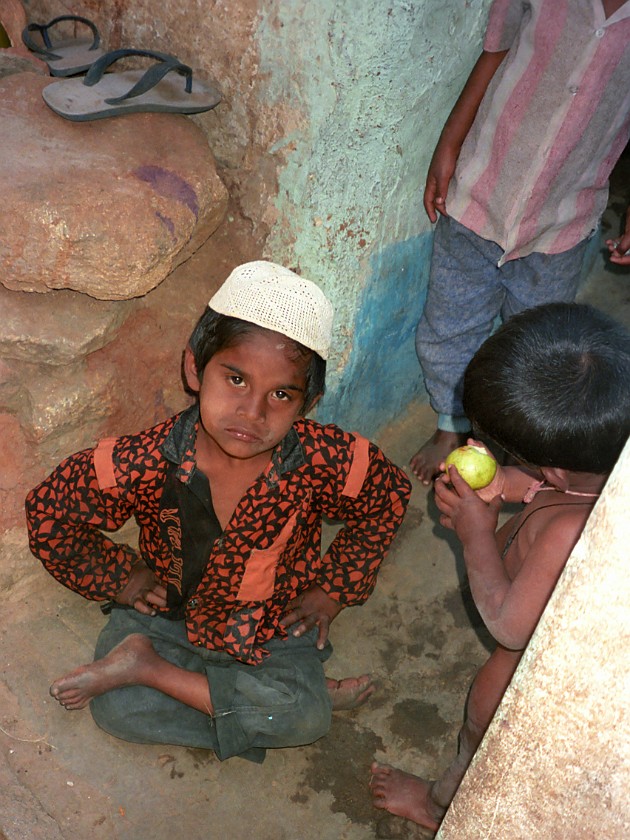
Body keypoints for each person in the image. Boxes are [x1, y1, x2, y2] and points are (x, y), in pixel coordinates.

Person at [25, 261, 411, 763]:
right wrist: (121, 578)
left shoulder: (327, 459)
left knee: (305, 718)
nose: (253, 413)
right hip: (170, 618)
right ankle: (260, 699)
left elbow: (390, 498)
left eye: (280, 394)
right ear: (194, 369)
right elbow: (49, 510)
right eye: (235, 379)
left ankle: (156, 673)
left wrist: (333, 590)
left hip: (273, 623)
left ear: (308, 403)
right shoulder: (144, 460)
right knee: (118, 714)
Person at [371, 302, 630, 831]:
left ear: (555, 465)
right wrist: (504, 484)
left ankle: (440, 804)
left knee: (485, 719)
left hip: (539, 653)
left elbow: (511, 628)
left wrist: (476, 536)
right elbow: (539, 484)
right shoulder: (593, 472)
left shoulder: (569, 533)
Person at [411, 0, 630, 484]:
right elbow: (495, 52)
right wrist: (449, 144)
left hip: (563, 220)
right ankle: (451, 422)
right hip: (481, 192)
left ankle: (517, 436)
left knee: (542, 342)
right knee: (450, 321)